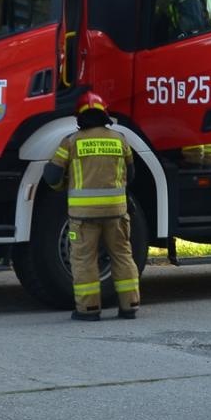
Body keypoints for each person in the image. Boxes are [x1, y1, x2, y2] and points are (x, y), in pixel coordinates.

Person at [44, 93, 141, 321]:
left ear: (80, 117)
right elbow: (132, 174)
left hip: (83, 216)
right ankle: (130, 306)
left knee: (84, 260)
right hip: (116, 213)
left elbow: (52, 175)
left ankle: (88, 310)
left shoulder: (71, 142)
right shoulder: (120, 139)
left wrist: (63, 185)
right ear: (104, 114)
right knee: (122, 256)